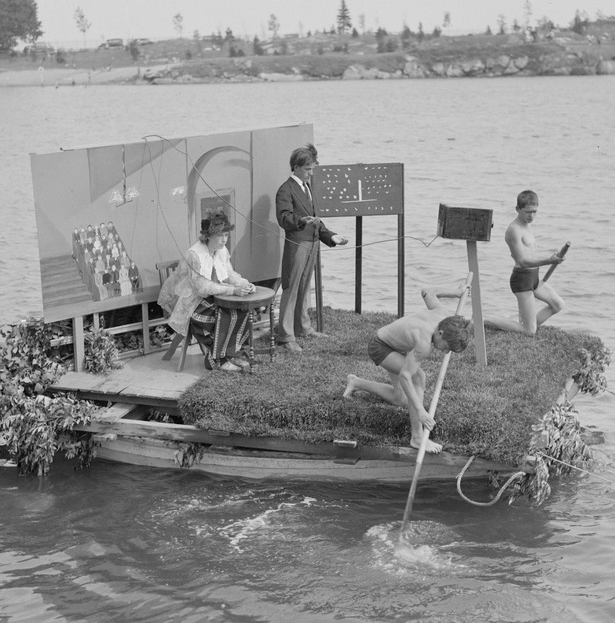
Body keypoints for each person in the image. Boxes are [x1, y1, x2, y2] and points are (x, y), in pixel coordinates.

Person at [342, 283, 472, 454]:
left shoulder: (443, 315)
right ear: (440, 334)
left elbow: (428, 292)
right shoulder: (423, 343)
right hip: (381, 347)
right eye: (447, 347)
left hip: (396, 345)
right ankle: (417, 438)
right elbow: (405, 376)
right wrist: (421, 411)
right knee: (418, 377)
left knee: (401, 399)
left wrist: (458, 292)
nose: (446, 352)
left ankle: (356, 382)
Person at [157, 212, 257, 372]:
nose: (224, 239)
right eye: (220, 235)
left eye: (226, 235)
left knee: (241, 310)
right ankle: (217, 359)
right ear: (208, 235)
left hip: (210, 296)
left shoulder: (221, 250)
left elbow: (230, 274)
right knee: (223, 313)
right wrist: (233, 290)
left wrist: (245, 284)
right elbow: (202, 287)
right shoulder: (195, 255)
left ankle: (229, 353)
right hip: (188, 301)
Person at [274, 144, 348, 353]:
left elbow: (316, 221)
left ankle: (302, 327)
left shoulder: (307, 188)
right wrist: (301, 221)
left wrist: (331, 236)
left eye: (312, 169)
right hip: (297, 244)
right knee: (291, 287)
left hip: (313, 243)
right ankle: (286, 335)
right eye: (308, 169)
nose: (311, 173)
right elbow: (283, 217)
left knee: (305, 287)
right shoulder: (285, 189)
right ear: (296, 167)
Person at [484, 190, 566, 337]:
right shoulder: (514, 230)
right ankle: (483, 320)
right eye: (528, 212)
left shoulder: (527, 225)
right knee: (530, 331)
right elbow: (522, 261)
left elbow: (530, 252)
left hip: (534, 277)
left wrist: (555, 258)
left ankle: (521, 324)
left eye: (534, 212)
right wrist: (549, 260)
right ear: (517, 209)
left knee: (558, 305)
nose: (531, 216)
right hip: (521, 280)